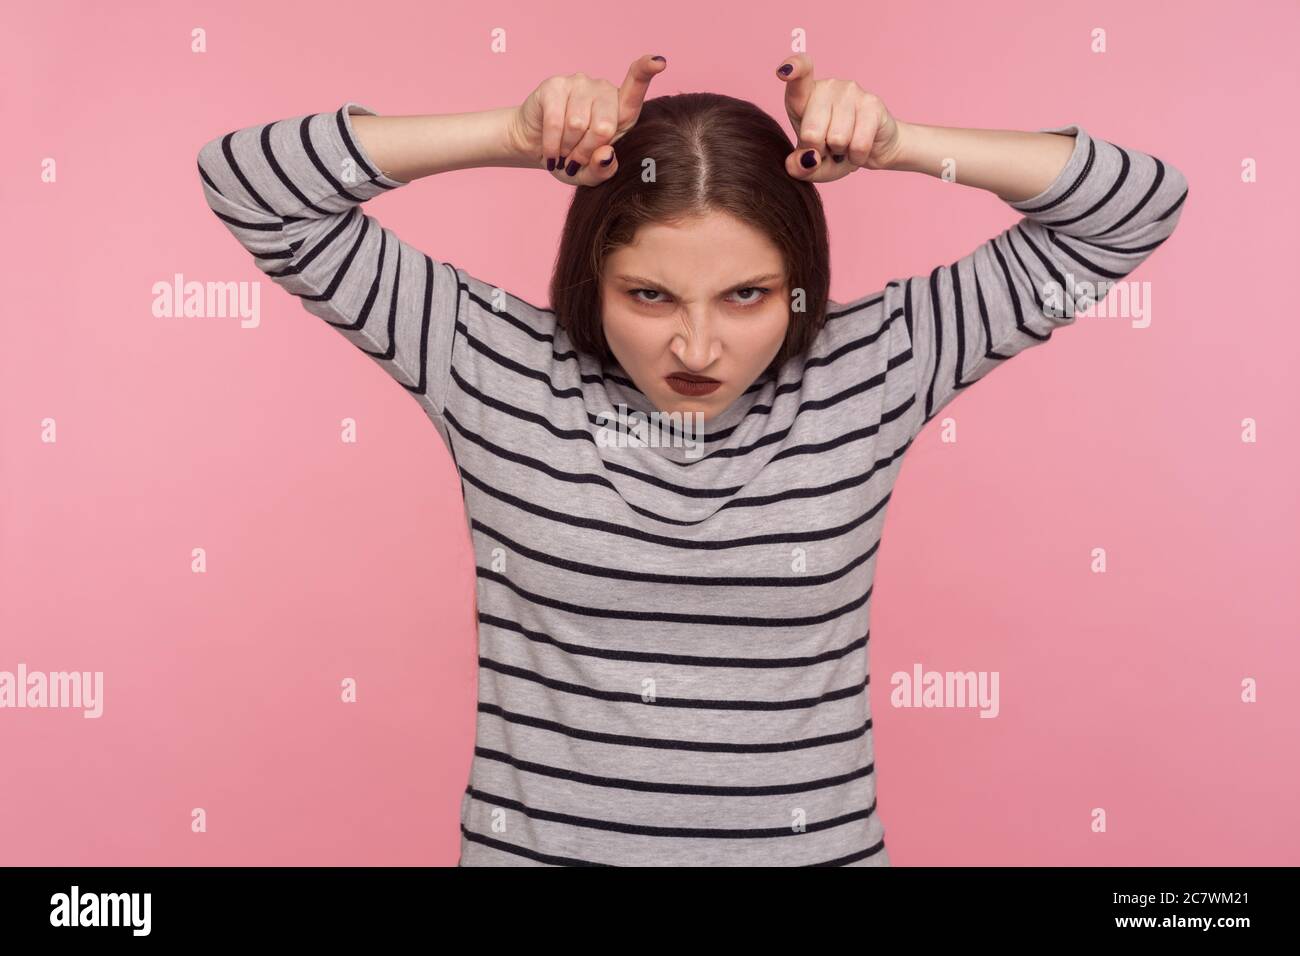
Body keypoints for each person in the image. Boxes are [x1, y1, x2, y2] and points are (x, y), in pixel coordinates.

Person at [196, 53, 1189, 866]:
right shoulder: (486, 359)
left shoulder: (879, 360)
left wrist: (900, 146)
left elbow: (1136, 208)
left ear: (802, 281)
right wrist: (509, 132)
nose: (699, 350)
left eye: (748, 296)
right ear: (593, 272)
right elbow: (246, 181)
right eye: (652, 297)